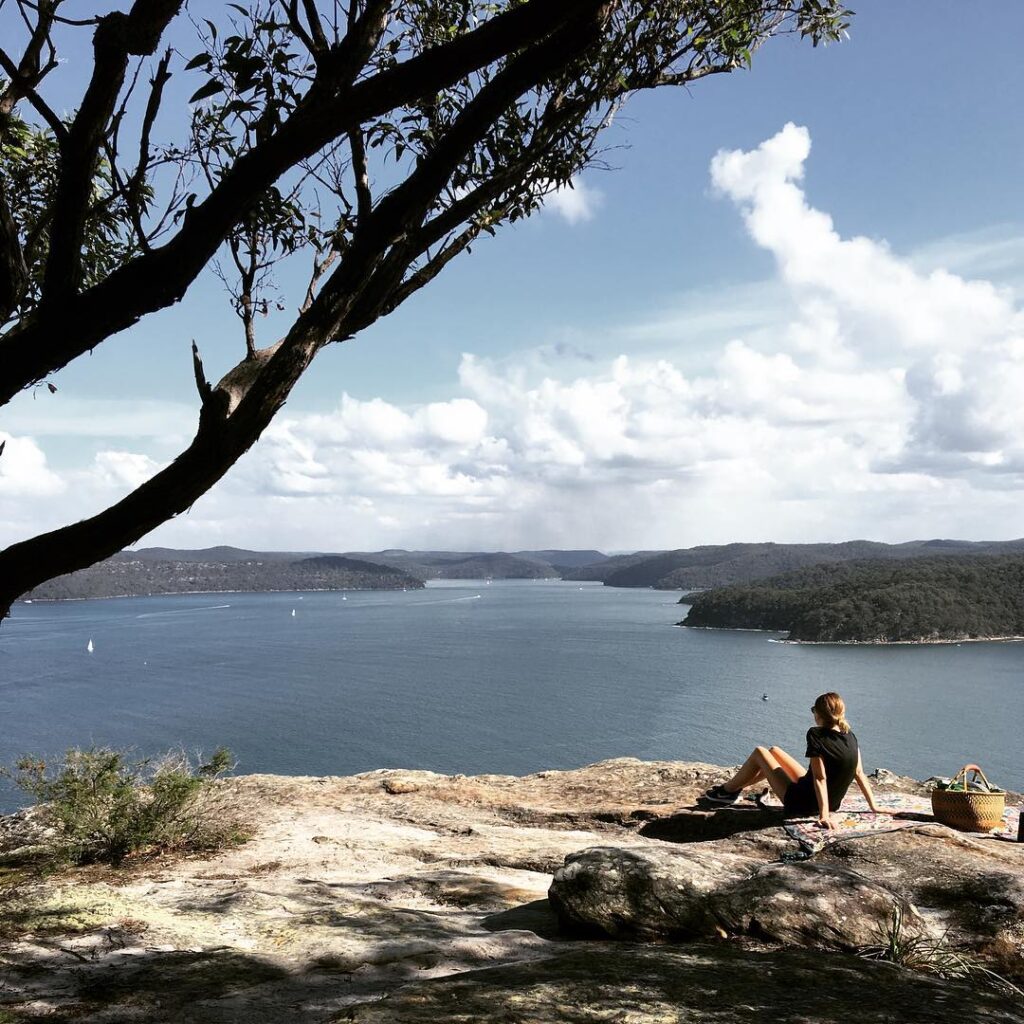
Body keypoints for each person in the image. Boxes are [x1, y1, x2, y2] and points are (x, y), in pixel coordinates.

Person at [701, 691, 887, 829]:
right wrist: (874, 806)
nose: (813, 713)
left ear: (819, 715)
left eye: (814, 710)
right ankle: (736, 787)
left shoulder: (815, 735)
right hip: (830, 801)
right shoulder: (850, 736)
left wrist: (823, 815)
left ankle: (726, 791)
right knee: (773, 751)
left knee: (759, 752)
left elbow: (820, 779)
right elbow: (859, 773)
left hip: (802, 803)